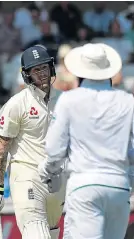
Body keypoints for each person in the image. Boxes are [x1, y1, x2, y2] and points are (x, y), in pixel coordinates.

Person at [38, 43, 133, 239]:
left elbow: (54, 150)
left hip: (85, 185)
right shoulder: (128, 101)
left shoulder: (69, 100)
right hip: (119, 186)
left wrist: (47, 172)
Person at [0, 45, 64, 239]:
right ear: (27, 74)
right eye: (36, 70)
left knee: (51, 234)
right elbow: (1, 149)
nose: (42, 74)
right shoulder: (16, 104)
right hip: (27, 176)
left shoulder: (64, 100)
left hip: (57, 179)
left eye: (44, 68)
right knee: (36, 232)